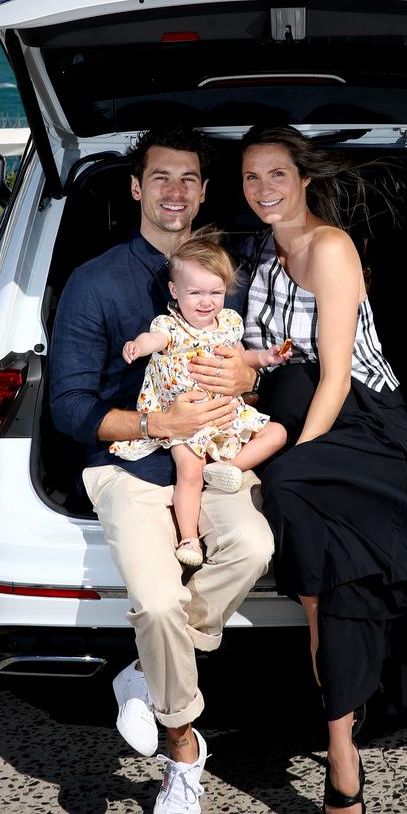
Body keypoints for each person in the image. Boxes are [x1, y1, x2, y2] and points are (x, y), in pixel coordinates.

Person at [48, 128, 274, 814]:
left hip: (211, 454)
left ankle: (147, 671)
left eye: (190, 180)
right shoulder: (96, 282)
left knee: (253, 548)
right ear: (137, 189)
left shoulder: (219, 271)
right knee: (156, 600)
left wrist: (248, 375)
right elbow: (70, 409)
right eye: (162, 178)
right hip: (130, 463)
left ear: (205, 192)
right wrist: (155, 416)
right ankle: (184, 754)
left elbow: (252, 358)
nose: (176, 192)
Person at [238, 125, 407, 814]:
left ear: (303, 177)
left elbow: (339, 375)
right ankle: (342, 736)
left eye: (275, 175)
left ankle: (341, 748)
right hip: (293, 407)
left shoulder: (331, 248)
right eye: (251, 178)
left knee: (295, 497)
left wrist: (290, 457)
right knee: (324, 584)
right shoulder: (260, 252)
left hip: (362, 422)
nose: (263, 190)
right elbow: (267, 359)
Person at [109, 232, 289, 568]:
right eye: (195, 293)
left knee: (277, 432)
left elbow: (242, 357)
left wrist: (267, 358)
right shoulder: (172, 327)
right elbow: (154, 338)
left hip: (226, 414)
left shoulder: (229, 323)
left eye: (215, 292)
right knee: (189, 472)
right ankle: (189, 537)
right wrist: (138, 346)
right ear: (175, 292)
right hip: (184, 420)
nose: (206, 302)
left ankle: (227, 470)